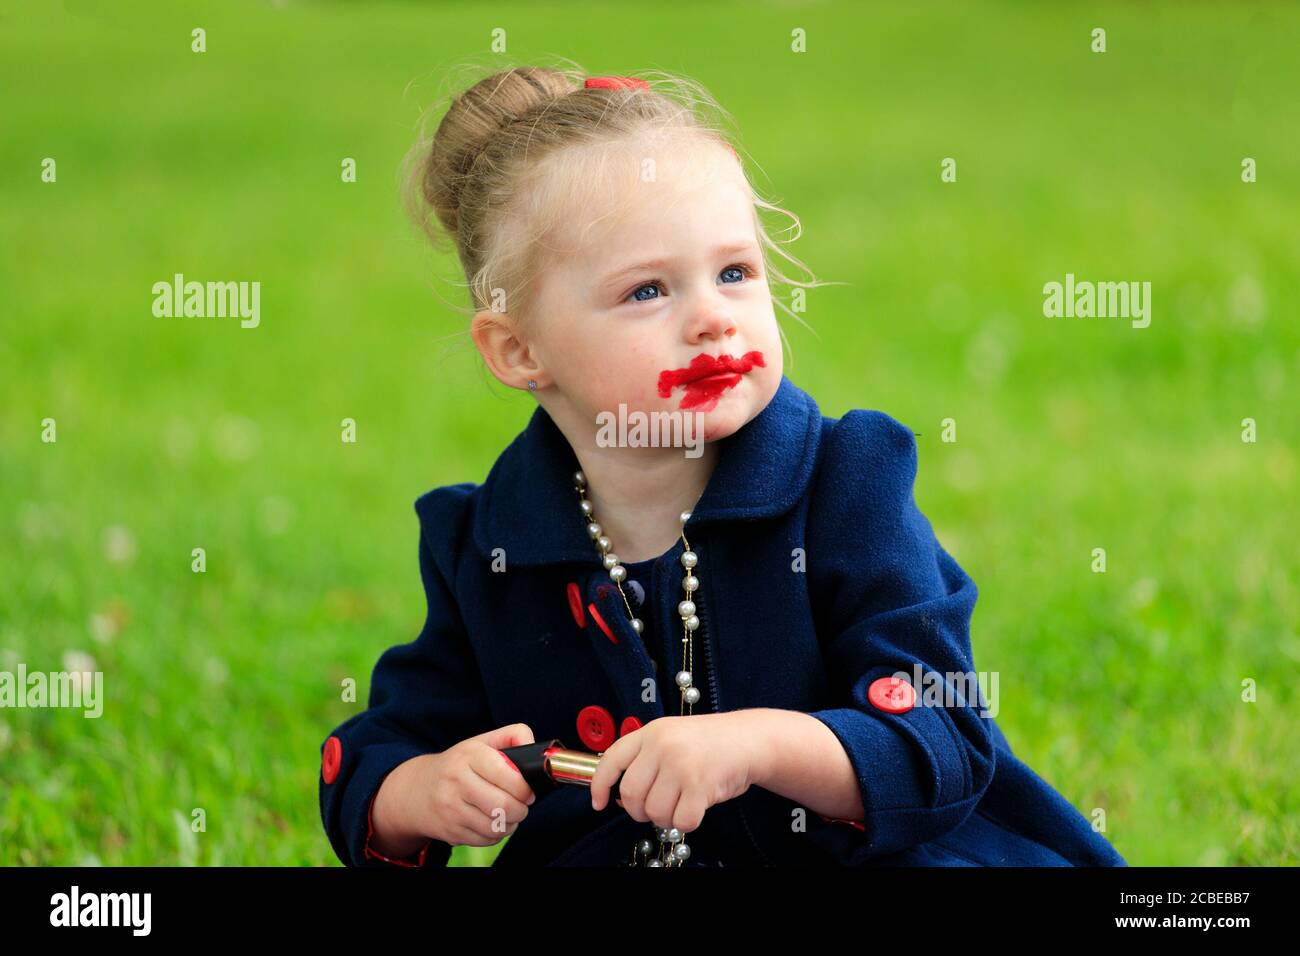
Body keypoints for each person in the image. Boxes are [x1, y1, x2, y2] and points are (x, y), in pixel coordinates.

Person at [318, 64, 1127, 867]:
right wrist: (419, 789)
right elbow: (384, 745)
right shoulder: (490, 545)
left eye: (734, 272)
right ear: (520, 349)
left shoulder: (846, 483)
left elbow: (942, 734)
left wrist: (756, 746)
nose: (711, 317)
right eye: (646, 292)